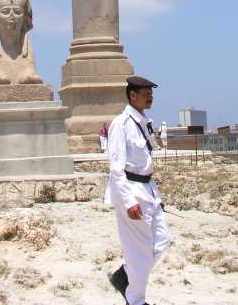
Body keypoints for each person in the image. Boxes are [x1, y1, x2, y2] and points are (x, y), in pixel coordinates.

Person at [105, 75, 172, 305]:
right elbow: (116, 168)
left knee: (162, 240)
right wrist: (128, 201)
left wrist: (156, 198)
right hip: (132, 192)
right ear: (132, 95)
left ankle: (125, 275)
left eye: (151, 93)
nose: (150, 97)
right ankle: (136, 300)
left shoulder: (143, 122)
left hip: (148, 190)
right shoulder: (120, 124)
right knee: (140, 251)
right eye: (145, 93)